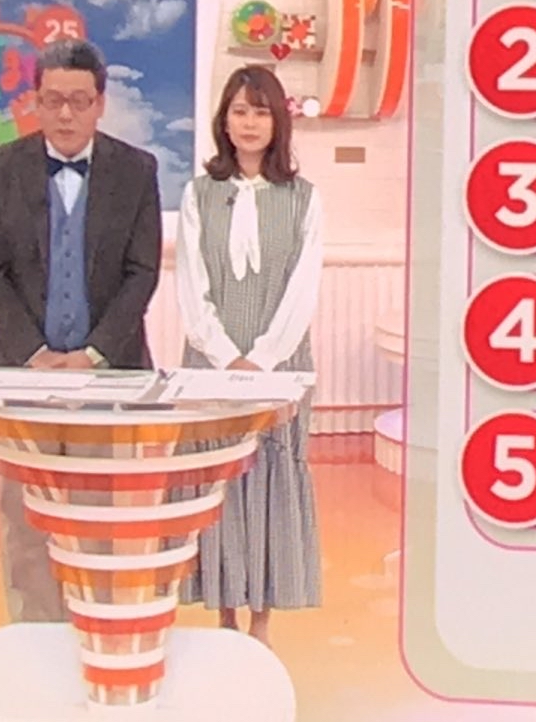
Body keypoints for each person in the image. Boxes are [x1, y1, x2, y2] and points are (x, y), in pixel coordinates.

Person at [0, 37, 162, 623]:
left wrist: (93, 353)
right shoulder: (1, 168)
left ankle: (95, 627)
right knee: (25, 516)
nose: (66, 115)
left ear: (100, 103)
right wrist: (35, 353)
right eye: (53, 101)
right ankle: (35, 632)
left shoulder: (136, 170)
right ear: (35, 101)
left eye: (79, 101)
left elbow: (142, 272)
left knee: (100, 513)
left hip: (108, 375)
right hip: (21, 375)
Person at [173, 64, 324, 645]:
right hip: (210, 362)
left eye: (261, 111)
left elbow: (303, 287)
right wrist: (222, 355)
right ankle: (223, 615)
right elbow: (191, 283)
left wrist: (261, 361)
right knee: (218, 478)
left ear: (278, 120)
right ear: (225, 120)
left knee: (269, 477)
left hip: (280, 365)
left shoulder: (304, 198)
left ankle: (261, 619)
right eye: (240, 111)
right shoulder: (198, 194)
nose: (250, 123)